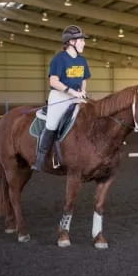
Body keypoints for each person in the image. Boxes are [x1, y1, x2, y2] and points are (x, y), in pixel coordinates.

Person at [31, 25, 91, 171]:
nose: (84, 43)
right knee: (52, 125)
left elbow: (84, 78)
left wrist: (82, 91)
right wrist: (71, 92)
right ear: (71, 42)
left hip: (77, 96)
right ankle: (40, 158)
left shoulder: (82, 60)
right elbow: (53, 81)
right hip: (60, 96)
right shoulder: (59, 59)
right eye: (81, 40)